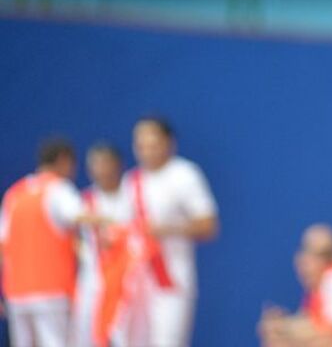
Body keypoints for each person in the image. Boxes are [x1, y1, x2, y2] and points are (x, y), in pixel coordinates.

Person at [120, 116, 219, 347]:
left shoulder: (184, 174)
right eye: (141, 146)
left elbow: (209, 225)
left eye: (153, 145)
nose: (146, 152)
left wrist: (167, 229)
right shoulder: (130, 181)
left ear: (169, 143)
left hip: (171, 279)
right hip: (136, 282)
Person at [0, 137, 96, 347]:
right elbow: (79, 216)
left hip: (17, 293)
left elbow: (2, 246)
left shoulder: (14, 194)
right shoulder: (59, 188)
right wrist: (114, 221)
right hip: (52, 291)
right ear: (63, 160)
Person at [258, 223, 332, 347]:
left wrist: (286, 333)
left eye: (319, 255)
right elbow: (310, 323)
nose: (304, 264)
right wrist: (283, 326)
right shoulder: (317, 289)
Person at [72, 142, 134, 347]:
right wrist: (83, 252)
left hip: (127, 279)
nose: (101, 170)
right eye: (96, 165)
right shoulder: (83, 201)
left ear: (119, 165)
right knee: (87, 335)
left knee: (126, 335)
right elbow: (71, 238)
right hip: (93, 279)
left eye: (106, 164)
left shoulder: (132, 196)